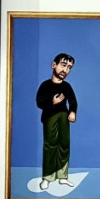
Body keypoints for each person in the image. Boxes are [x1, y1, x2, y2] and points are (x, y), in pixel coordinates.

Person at [35, 53, 77, 190]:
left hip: (63, 117)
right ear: (54, 65)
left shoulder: (67, 86)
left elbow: (73, 101)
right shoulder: (45, 85)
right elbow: (39, 102)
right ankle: (47, 177)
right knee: (50, 145)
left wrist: (72, 112)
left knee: (64, 144)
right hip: (50, 117)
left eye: (69, 67)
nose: (65, 70)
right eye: (63, 65)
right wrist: (52, 102)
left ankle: (62, 176)